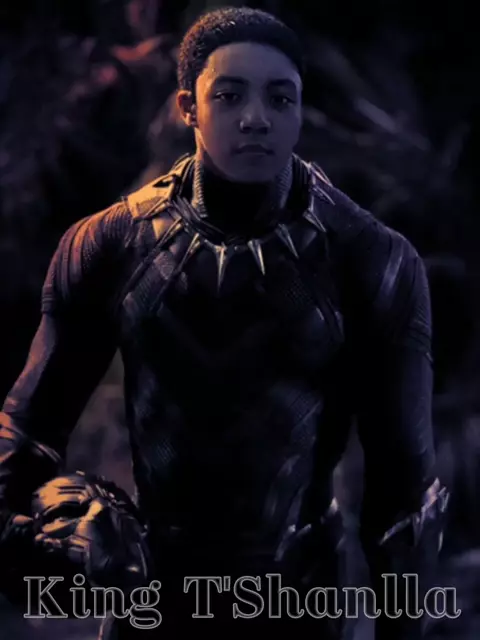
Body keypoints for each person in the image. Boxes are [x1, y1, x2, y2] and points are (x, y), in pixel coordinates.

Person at [0, 6, 448, 640]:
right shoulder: (109, 243)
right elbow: (27, 430)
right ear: (188, 106)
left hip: (301, 604)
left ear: (300, 109)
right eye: (230, 95)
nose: (256, 117)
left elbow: (404, 495)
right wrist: (34, 534)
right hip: (155, 602)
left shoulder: (371, 258)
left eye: (279, 98)